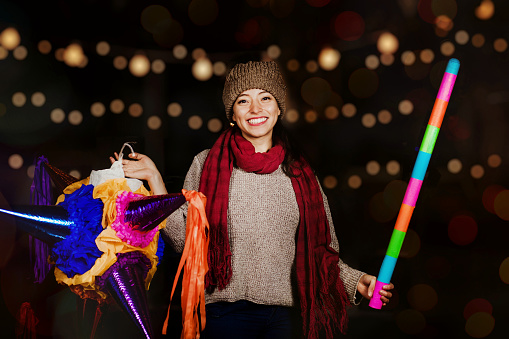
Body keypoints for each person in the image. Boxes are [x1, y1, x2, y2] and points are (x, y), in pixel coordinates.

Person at [112, 60, 394, 338]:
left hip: (285, 319)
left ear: (278, 108)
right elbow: (186, 241)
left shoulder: (301, 174)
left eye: (266, 97)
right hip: (224, 315)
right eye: (243, 100)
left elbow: (323, 252)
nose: (256, 109)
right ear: (232, 113)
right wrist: (155, 179)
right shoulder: (206, 163)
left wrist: (357, 282)